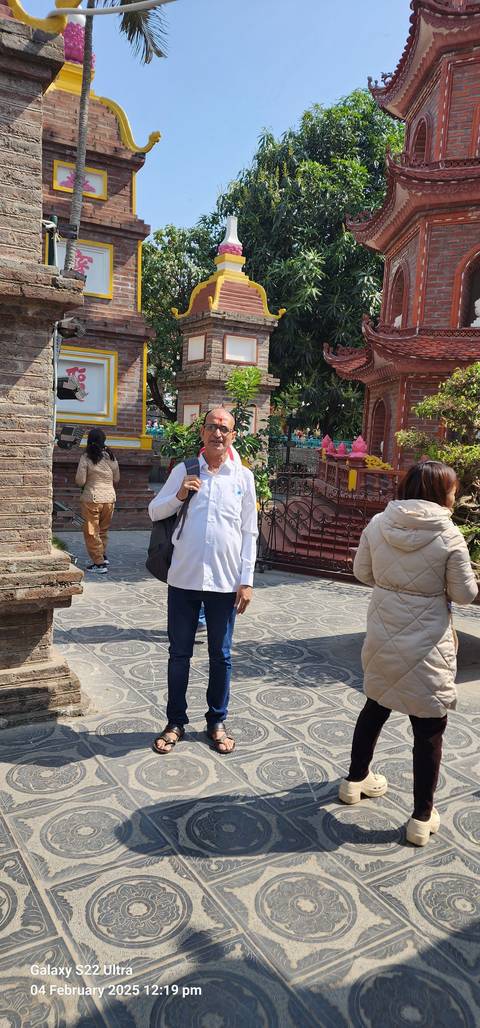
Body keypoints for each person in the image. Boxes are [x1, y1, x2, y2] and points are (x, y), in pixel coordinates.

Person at [339, 461, 478, 846]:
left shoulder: (379, 523)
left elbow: (362, 573)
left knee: (374, 706)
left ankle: (354, 780)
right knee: (429, 727)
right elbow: (465, 595)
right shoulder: (449, 536)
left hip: (384, 628)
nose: (455, 496)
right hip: (428, 639)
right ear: (439, 492)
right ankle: (421, 817)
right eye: (453, 490)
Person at [148, 407, 258, 755]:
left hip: (225, 585)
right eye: (212, 427)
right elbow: (154, 511)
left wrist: (247, 580)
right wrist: (179, 494)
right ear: (202, 433)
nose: (218, 433)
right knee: (179, 654)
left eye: (225, 428)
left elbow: (249, 532)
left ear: (233, 435)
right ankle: (175, 721)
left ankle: (216, 720)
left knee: (221, 656)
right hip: (184, 579)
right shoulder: (185, 470)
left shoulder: (243, 478)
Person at [75, 428, 120, 574]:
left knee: (91, 532)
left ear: (89, 440)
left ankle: (99, 563)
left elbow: (80, 481)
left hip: (92, 498)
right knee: (103, 530)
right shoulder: (111, 456)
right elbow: (117, 479)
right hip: (110, 498)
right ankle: (102, 555)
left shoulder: (86, 457)